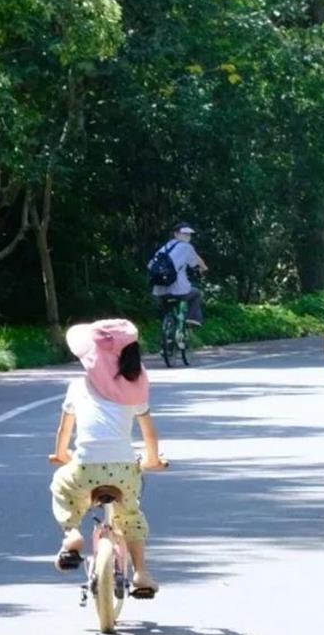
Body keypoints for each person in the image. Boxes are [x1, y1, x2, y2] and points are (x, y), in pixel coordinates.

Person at [49, 318, 167, 597]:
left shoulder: (78, 386)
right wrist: (153, 460)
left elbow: (64, 431)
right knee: (130, 515)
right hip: (124, 470)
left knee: (61, 485)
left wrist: (61, 455)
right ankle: (141, 573)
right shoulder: (134, 387)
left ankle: (71, 534)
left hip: (85, 468)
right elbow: (149, 433)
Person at [149, 223, 206, 325]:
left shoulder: (165, 247)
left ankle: (167, 328)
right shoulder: (186, 247)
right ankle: (192, 319)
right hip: (179, 291)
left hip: (159, 291)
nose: (187, 236)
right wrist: (204, 268)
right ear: (176, 234)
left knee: (166, 306)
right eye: (184, 233)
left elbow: (150, 265)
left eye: (189, 234)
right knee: (196, 293)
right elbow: (195, 262)